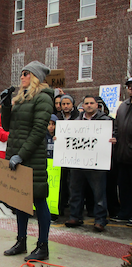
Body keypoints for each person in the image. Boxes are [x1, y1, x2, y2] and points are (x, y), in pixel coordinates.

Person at [1, 60, 53, 261]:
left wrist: (21, 155)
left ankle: (43, 246)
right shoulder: (21, 97)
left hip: (32, 157)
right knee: (19, 202)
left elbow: (39, 130)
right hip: (17, 155)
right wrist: (6, 105)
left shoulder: (43, 98)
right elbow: (7, 126)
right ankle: (21, 241)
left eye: (25, 73)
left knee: (39, 200)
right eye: (21, 73)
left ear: (35, 77)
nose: (21, 76)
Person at [64, 95, 111, 232]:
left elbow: (114, 134)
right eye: (86, 103)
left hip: (97, 163)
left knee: (99, 192)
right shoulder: (76, 121)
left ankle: (100, 220)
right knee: (75, 190)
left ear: (97, 105)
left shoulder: (105, 121)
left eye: (92, 103)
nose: (89, 105)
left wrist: (113, 138)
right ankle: (75, 216)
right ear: (82, 106)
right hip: (78, 162)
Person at [110, 77, 132, 227]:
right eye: (129, 86)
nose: (131, 88)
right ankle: (125, 212)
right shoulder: (123, 106)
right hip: (123, 155)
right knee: (124, 186)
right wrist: (114, 139)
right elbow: (117, 128)